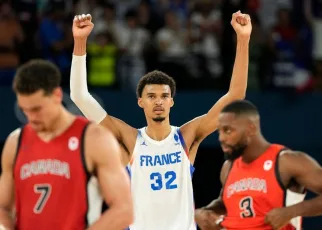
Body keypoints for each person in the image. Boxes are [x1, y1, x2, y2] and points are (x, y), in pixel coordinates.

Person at [70, 11, 252, 230]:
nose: (158, 101)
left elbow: (235, 96)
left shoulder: (187, 136)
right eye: (152, 96)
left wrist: (243, 39)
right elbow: (79, 96)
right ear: (140, 102)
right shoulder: (130, 140)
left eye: (164, 96)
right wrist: (80, 42)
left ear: (171, 102)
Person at [0, 60, 133, 230]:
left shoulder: (94, 139)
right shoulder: (15, 142)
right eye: (24, 110)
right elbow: (3, 207)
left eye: (36, 109)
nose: (30, 117)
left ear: (56, 95)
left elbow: (123, 210)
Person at [195, 100, 322, 230]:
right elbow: (226, 202)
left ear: (251, 128)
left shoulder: (286, 161)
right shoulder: (228, 167)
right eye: (219, 131)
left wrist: (291, 211)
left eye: (228, 130)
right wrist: (205, 212)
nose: (221, 138)